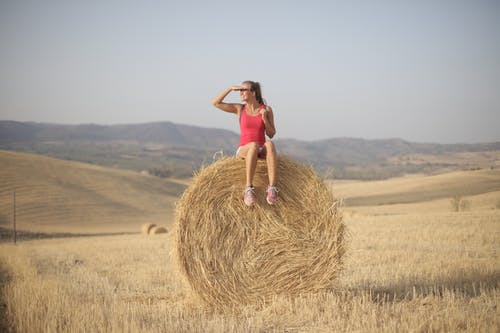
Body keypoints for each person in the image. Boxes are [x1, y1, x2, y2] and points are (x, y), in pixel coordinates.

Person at [212, 81, 278, 206]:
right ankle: (248, 188)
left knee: (270, 144)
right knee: (253, 145)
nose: (240, 92)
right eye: (240, 90)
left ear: (253, 92)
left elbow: (271, 134)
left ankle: (272, 188)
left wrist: (264, 119)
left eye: (243, 90)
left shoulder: (267, 110)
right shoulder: (240, 109)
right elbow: (216, 103)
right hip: (244, 149)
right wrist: (230, 88)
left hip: (260, 149)